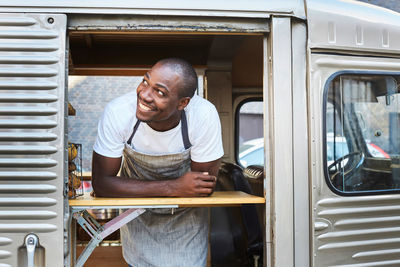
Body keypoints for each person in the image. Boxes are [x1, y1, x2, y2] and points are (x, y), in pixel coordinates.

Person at [91, 58, 224, 266]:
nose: (144, 95)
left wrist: (178, 189)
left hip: (185, 221)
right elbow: (101, 184)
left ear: (183, 103)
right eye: (145, 82)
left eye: (160, 92)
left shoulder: (203, 116)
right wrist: (174, 187)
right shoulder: (118, 112)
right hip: (137, 216)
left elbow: (201, 188)